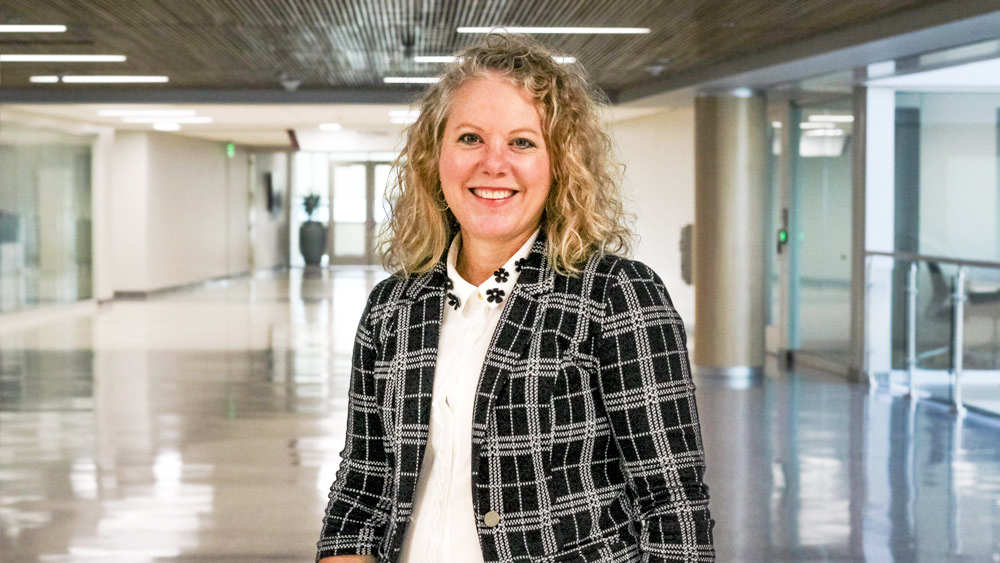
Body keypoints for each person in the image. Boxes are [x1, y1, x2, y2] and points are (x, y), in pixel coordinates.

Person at [316, 34, 714, 563]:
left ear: (560, 165)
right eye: (470, 138)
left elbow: (674, 507)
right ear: (436, 156)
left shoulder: (618, 295)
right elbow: (362, 489)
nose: (493, 164)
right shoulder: (393, 306)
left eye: (523, 142)